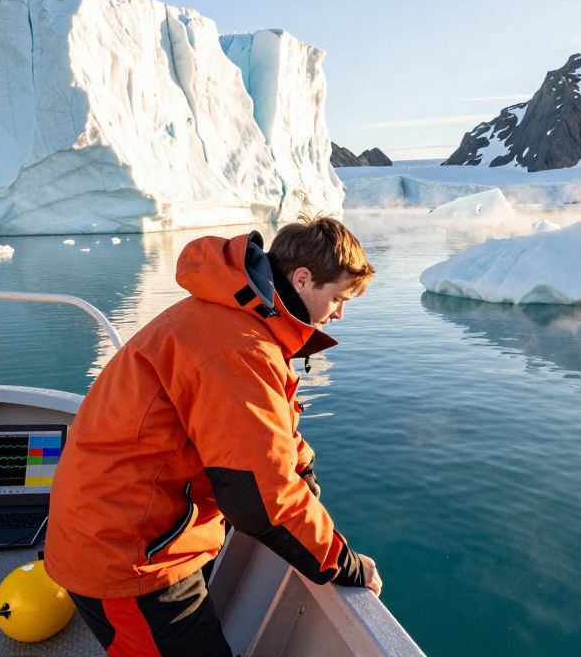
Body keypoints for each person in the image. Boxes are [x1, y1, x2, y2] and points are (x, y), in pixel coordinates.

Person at [45, 214, 382, 657]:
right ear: (302, 279)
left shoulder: (231, 317)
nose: (340, 312)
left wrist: (305, 472)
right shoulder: (239, 347)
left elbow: (265, 430)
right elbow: (260, 498)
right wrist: (343, 563)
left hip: (136, 530)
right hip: (129, 557)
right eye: (339, 297)